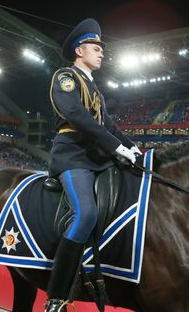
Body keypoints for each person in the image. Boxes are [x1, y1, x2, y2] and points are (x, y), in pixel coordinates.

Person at [45, 18, 140, 312]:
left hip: (96, 157)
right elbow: (75, 114)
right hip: (73, 155)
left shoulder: (95, 90)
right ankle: (56, 297)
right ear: (79, 50)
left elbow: (108, 124)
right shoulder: (66, 77)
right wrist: (115, 147)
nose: (101, 52)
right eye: (95, 47)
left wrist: (133, 146)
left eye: (101, 48)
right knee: (85, 214)